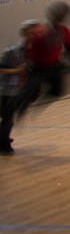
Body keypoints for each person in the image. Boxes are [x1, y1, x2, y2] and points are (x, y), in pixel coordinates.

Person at [20, 0, 70, 108]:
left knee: (57, 92)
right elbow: (26, 49)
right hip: (37, 68)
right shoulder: (39, 32)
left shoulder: (64, 31)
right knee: (29, 97)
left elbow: (68, 46)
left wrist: (69, 57)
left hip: (53, 67)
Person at [0, 21, 34, 155]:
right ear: (26, 33)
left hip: (19, 89)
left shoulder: (33, 51)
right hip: (7, 89)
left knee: (8, 118)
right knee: (7, 118)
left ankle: (3, 138)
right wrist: (17, 70)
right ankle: (4, 145)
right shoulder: (12, 51)